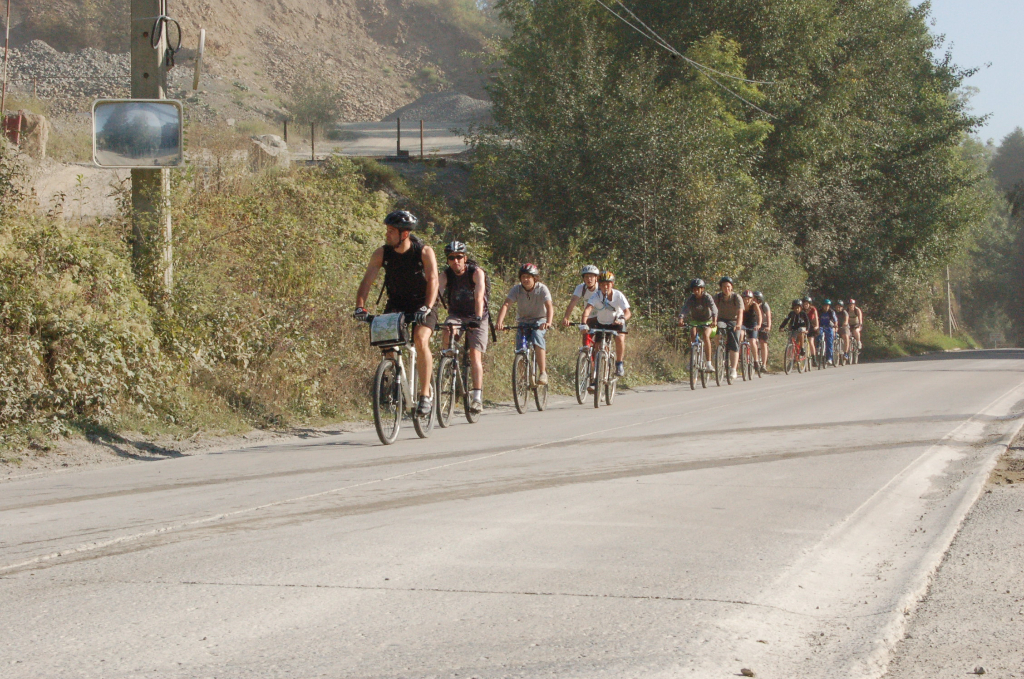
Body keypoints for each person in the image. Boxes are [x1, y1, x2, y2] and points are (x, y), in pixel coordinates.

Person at [354, 210, 439, 416]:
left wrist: (427, 307)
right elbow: (367, 280)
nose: (387, 234)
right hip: (397, 302)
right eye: (387, 230)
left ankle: (425, 394)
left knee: (420, 339)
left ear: (404, 234)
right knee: (386, 342)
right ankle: (394, 380)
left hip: (423, 303)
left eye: (391, 231)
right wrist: (360, 306)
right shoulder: (382, 253)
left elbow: (434, 280)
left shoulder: (424, 251)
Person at [437, 241, 489, 414]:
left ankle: (477, 398)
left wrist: (478, 317)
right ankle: (448, 367)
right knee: (447, 329)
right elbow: (437, 292)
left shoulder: (475, 272)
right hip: (457, 314)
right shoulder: (445, 274)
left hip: (477, 315)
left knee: (475, 355)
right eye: (451, 258)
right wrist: (429, 312)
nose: (455, 261)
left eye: (459, 257)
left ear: (465, 258)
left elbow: (479, 295)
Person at [496, 263, 555, 385]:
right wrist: (499, 322)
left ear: (535, 278)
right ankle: (524, 377)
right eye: (523, 277)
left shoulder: (542, 289)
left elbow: (549, 306)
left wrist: (548, 322)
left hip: (540, 320)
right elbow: (507, 304)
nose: (526, 279)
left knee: (537, 336)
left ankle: (543, 372)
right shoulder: (516, 289)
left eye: (529, 277)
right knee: (520, 347)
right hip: (523, 320)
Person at [580, 271, 632, 377]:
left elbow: (627, 312)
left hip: (616, 321)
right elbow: (588, 309)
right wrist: (584, 323)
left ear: (612, 284)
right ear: (599, 285)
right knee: (598, 347)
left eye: (607, 284)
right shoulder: (596, 296)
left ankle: (619, 363)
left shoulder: (618, 295)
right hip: (602, 322)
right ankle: (598, 375)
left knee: (620, 338)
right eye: (602, 284)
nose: (605, 287)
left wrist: (622, 319)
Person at [677, 279, 718, 372]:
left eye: (698, 289)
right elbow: (685, 309)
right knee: (692, 333)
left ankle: (708, 364)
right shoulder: (691, 298)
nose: (696, 291)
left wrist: (715, 320)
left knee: (706, 335)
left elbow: (714, 308)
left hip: (708, 321)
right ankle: (693, 359)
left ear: (702, 289)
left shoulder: (707, 297)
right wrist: (681, 318)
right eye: (694, 289)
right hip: (696, 321)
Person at [713, 276, 744, 381]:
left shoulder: (736, 297)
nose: (727, 289)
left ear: (732, 287)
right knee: (716, 331)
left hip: (733, 320)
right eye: (724, 287)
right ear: (721, 288)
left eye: (728, 287)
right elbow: (713, 311)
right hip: (721, 319)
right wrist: (713, 322)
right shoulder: (717, 297)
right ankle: (719, 351)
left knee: (734, 342)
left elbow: (740, 312)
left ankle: (733, 369)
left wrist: (738, 324)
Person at [562, 265, 601, 348]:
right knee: (585, 343)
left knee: (599, 344)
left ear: (596, 278)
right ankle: (586, 359)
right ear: (583, 278)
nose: (589, 279)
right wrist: (566, 318)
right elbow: (573, 302)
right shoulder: (581, 288)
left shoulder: (601, 288)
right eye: (586, 276)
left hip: (601, 317)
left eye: (591, 276)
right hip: (588, 317)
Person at [741, 290, 763, 370]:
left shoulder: (754, 305)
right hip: (743, 324)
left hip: (753, 324)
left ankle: (756, 361)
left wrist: (759, 324)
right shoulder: (740, 304)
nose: (746, 300)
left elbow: (759, 315)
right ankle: (740, 354)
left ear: (752, 299)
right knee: (740, 335)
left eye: (748, 299)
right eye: (745, 298)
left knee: (752, 341)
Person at [754, 291, 771, 370]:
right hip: (754, 324)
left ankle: (764, 365)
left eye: (755, 298)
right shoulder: (752, 305)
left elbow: (768, 316)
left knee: (763, 343)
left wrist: (768, 326)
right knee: (753, 342)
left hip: (763, 324)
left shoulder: (764, 305)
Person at [802, 297, 820, 367]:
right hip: (804, 326)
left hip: (812, 326)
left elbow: (816, 318)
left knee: (811, 341)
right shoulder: (801, 310)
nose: (805, 305)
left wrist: (817, 326)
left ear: (809, 304)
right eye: (804, 304)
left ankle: (814, 359)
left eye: (807, 304)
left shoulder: (813, 309)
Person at [819, 299, 837, 366]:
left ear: (829, 306)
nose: (826, 307)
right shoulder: (820, 311)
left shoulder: (831, 312)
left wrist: (835, 325)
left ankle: (829, 358)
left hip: (829, 327)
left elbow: (835, 320)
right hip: (821, 326)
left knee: (829, 341)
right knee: (819, 334)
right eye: (825, 306)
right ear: (823, 306)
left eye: (827, 306)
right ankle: (818, 347)